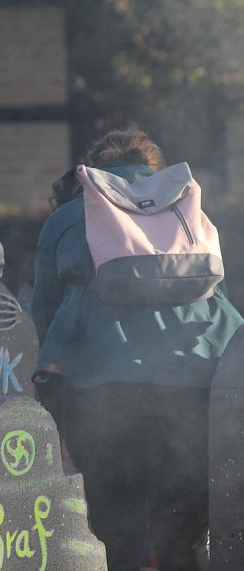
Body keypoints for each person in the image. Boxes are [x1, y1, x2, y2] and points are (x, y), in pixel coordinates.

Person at [31, 129, 243, 571]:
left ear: (93, 171)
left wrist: (49, 399)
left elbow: (45, 313)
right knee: (180, 529)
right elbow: (218, 297)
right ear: (154, 172)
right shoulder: (186, 209)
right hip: (193, 384)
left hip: (101, 389)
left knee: (115, 528)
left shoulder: (70, 217)